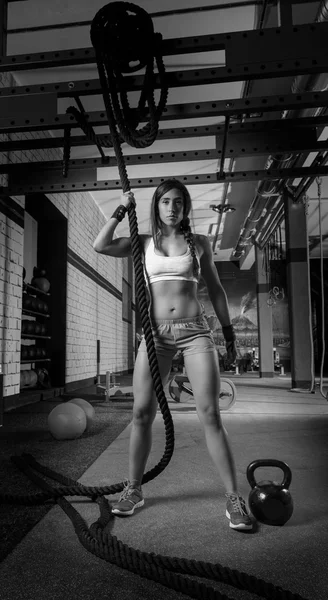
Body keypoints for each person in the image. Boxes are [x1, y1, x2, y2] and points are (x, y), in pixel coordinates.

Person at [93, 178, 252, 531]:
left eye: (178, 201)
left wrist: (228, 333)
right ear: (157, 205)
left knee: (210, 413)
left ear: (185, 207)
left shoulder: (199, 244)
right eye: (166, 201)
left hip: (195, 332)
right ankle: (133, 489)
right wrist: (121, 209)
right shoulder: (142, 243)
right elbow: (100, 244)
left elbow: (216, 289)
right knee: (141, 412)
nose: (172, 207)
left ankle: (233, 498)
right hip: (155, 336)